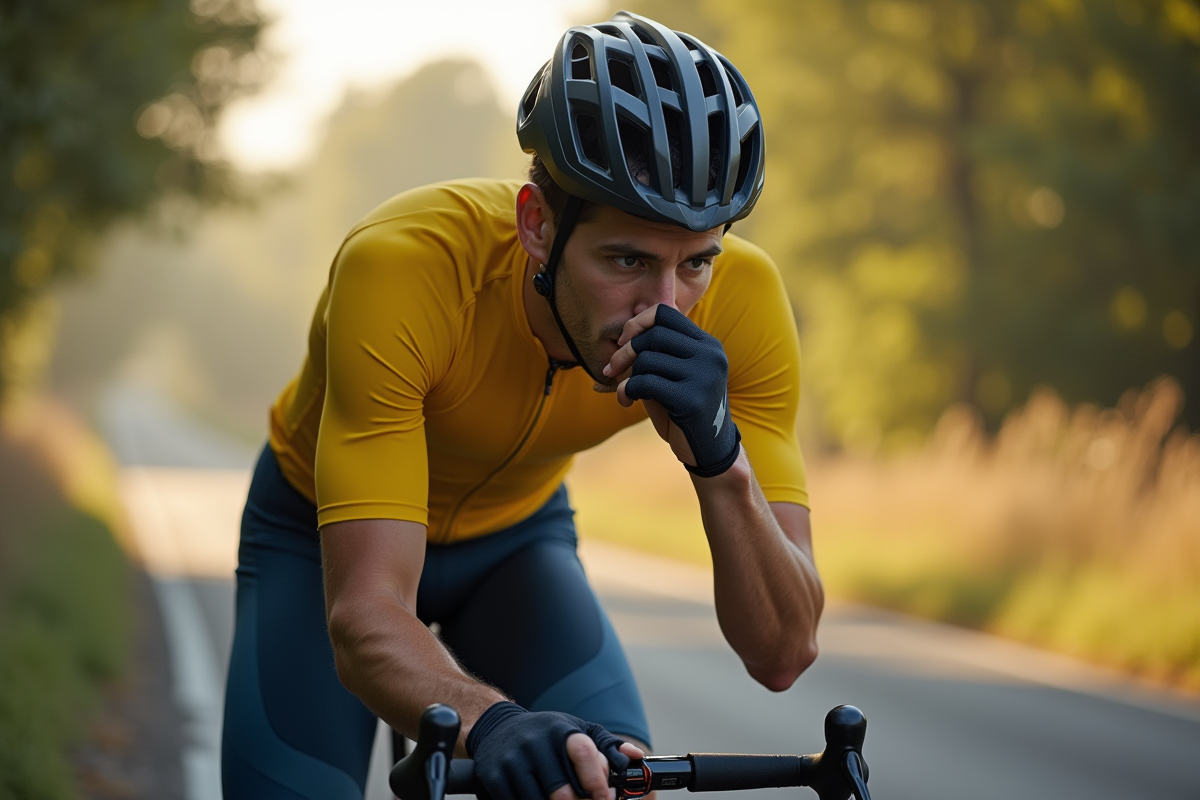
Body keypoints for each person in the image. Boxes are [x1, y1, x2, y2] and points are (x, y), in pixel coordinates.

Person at [220, 11, 823, 800]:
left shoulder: (746, 302)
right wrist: (494, 719)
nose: (665, 308)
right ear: (537, 226)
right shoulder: (403, 270)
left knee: (610, 779)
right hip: (316, 533)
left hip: (514, 542)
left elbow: (781, 652)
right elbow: (367, 615)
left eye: (697, 262)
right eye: (627, 260)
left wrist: (720, 457)